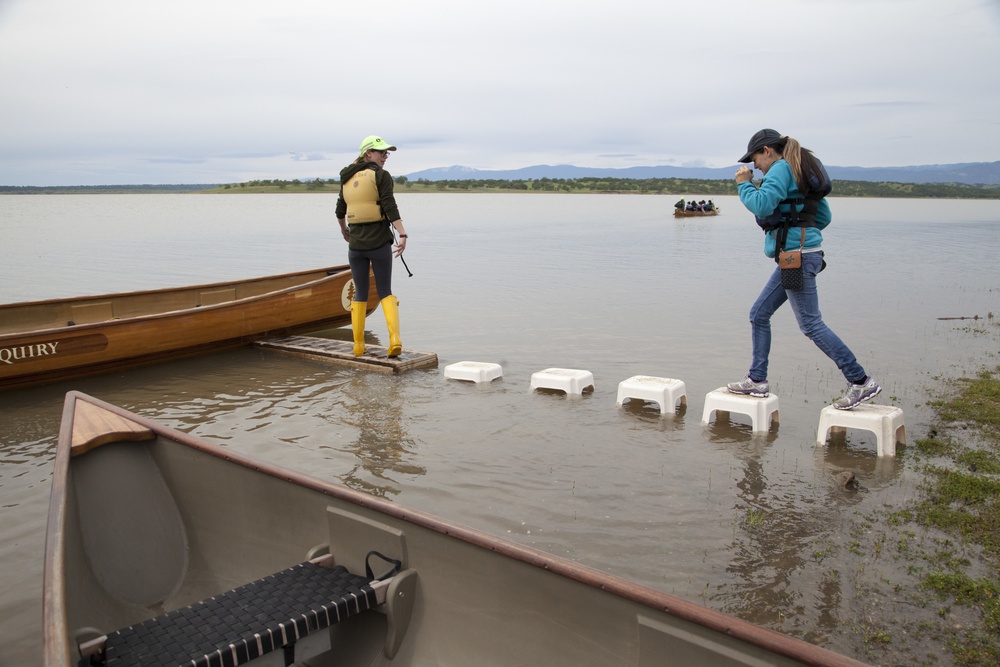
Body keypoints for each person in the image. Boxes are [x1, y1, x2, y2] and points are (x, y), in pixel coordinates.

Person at [726, 128, 880, 410]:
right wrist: (802, 234)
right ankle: (757, 379)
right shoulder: (798, 168)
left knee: (810, 324)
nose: (754, 166)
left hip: (796, 256)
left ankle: (860, 381)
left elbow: (761, 204)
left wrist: (744, 184)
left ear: (768, 151)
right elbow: (823, 216)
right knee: (759, 314)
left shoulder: (781, 169)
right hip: (798, 255)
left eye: (755, 159)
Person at [336, 135, 408, 358]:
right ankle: (394, 341)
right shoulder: (381, 175)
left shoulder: (347, 177)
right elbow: (389, 204)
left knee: (360, 294)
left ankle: (358, 346)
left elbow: (340, 210)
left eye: (387, 153)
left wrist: (344, 230)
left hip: (355, 247)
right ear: (368, 153)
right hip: (378, 243)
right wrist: (402, 233)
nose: (385, 157)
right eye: (381, 152)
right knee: (384, 290)